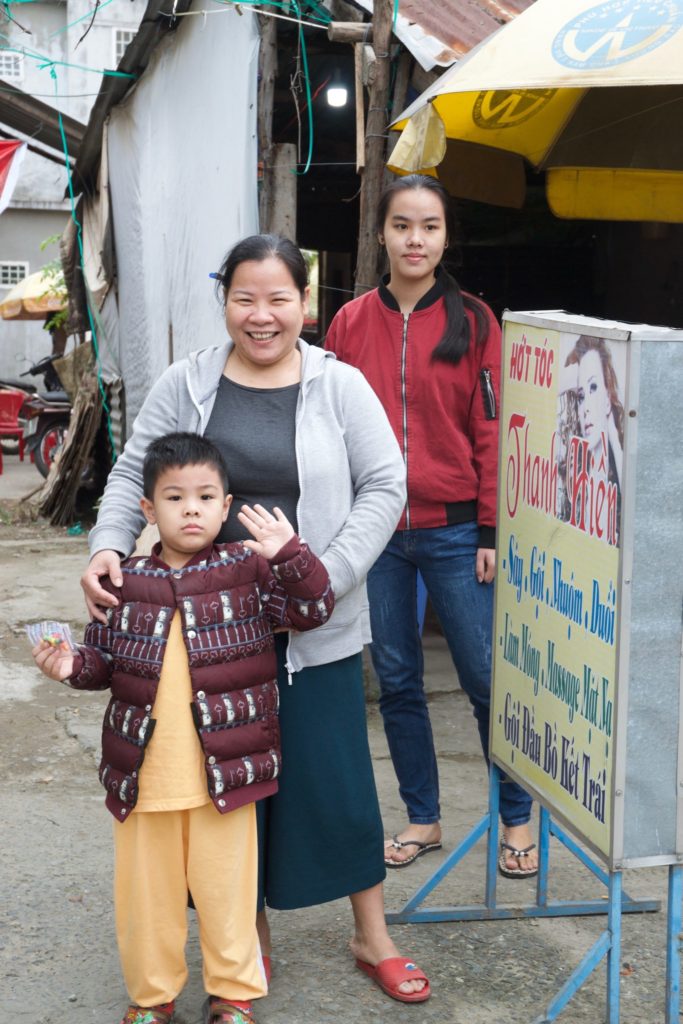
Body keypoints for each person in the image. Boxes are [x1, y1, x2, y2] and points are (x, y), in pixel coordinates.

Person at [80, 236, 431, 1004]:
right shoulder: (189, 382)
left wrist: (328, 578)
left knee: (335, 781)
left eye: (279, 298)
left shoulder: (339, 387)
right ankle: (248, 941)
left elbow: (384, 487)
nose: (262, 315)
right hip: (201, 634)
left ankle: (371, 936)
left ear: (306, 303)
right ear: (225, 301)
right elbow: (133, 472)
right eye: (245, 298)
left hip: (315, 628)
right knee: (227, 791)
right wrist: (109, 546)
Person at [33, 432, 334, 1024]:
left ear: (225, 507)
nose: (190, 508)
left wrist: (291, 554)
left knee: (227, 894)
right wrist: (72, 666)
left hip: (226, 770)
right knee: (148, 902)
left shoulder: (249, 570)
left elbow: (313, 609)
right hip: (143, 778)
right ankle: (152, 997)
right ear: (148, 510)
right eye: (174, 497)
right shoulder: (124, 581)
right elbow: (104, 664)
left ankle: (234, 995)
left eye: (204, 496)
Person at [325, 173, 538, 879]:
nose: (415, 240)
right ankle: (423, 817)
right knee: (395, 679)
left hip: (454, 533)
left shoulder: (475, 320)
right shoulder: (350, 324)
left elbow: (491, 429)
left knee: (483, 678)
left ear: (445, 237)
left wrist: (488, 532)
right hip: (375, 534)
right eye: (401, 226)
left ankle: (514, 816)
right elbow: (330, 434)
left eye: (429, 227)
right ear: (381, 233)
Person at [557, 336, 623, 546]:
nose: (585, 407)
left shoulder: (620, 474)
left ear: (607, 398)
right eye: (580, 396)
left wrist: (611, 427)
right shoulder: (573, 477)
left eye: (593, 387)